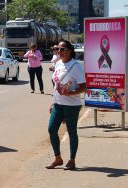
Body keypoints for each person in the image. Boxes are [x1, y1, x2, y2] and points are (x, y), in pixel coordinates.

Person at [46, 40, 86, 170]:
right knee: (52, 129)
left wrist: (69, 93)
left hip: (72, 105)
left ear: (69, 50)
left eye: (62, 49)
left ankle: (72, 160)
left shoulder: (76, 66)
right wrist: (53, 101)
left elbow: (83, 87)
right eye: (58, 49)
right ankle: (58, 158)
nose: (59, 51)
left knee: (71, 131)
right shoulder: (57, 63)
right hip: (58, 103)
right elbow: (56, 85)